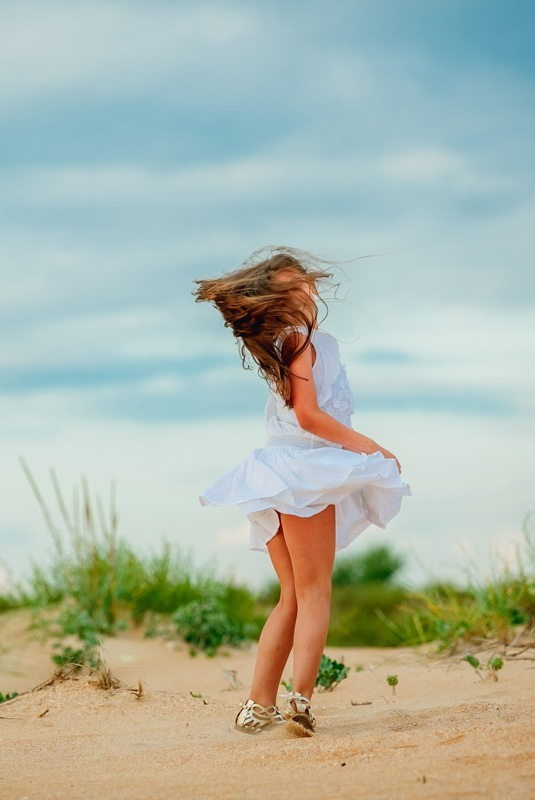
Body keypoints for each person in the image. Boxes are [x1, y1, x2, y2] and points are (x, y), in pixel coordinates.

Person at [193, 246, 411, 735]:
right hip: (302, 473)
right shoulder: (301, 340)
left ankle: (257, 706)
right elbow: (309, 416)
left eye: (306, 282)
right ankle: (300, 702)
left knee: (291, 595)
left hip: (274, 470)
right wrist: (371, 448)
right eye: (297, 285)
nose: (310, 289)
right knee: (315, 593)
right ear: (280, 299)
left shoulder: (288, 342)